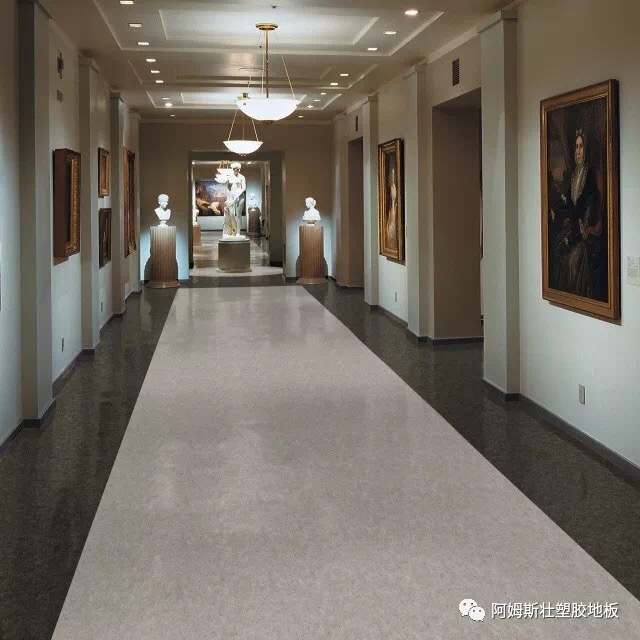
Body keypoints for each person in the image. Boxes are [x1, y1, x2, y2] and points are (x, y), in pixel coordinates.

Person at [549, 128, 604, 300]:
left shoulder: (592, 175)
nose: (578, 151)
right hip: (574, 227)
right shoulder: (574, 176)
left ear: (586, 149)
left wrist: (584, 229)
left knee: (575, 257)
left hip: (588, 232)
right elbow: (571, 206)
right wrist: (565, 216)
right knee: (557, 247)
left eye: (581, 147)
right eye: (576, 147)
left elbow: (593, 207)